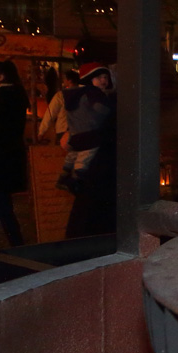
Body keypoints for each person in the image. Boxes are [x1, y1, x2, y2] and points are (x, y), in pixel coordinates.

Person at [64, 62, 117, 237]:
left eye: (105, 77)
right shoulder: (97, 98)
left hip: (91, 152)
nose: (103, 81)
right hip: (101, 156)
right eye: (99, 77)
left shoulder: (79, 97)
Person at [0, 60, 29, 246]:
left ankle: (15, 243)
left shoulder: (0, 96)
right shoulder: (14, 94)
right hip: (7, 156)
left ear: (0, 77)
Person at [39, 70, 81, 188]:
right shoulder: (84, 93)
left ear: (69, 80)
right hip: (80, 131)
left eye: (64, 78)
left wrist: (41, 131)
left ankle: (65, 184)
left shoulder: (61, 95)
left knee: (64, 161)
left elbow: (50, 114)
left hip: (64, 131)